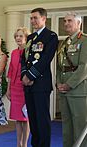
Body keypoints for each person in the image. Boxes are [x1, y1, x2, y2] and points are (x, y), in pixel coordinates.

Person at [21, 8, 58, 147]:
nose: (32, 21)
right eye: (31, 18)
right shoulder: (30, 38)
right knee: (33, 119)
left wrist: (30, 75)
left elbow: (46, 59)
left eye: (35, 18)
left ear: (44, 19)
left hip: (41, 84)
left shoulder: (51, 36)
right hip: (28, 84)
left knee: (42, 120)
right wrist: (24, 75)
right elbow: (24, 58)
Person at [56, 12, 87, 147]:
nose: (66, 24)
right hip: (64, 90)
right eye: (64, 21)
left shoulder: (84, 40)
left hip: (78, 91)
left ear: (79, 23)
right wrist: (58, 83)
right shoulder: (64, 43)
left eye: (70, 21)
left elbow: (84, 67)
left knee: (80, 128)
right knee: (67, 128)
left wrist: (68, 84)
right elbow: (59, 67)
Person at [6, 27, 30, 147]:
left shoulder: (29, 51)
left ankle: (24, 144)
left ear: (26, 38)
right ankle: (18, 143)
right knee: (17, 118)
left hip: (25, 87)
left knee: (25, 118)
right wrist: (8, 89)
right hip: (14, 87)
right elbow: (10, 71)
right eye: (16, 36)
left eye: (21, 36)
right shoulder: (14, 52)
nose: (18, 38)